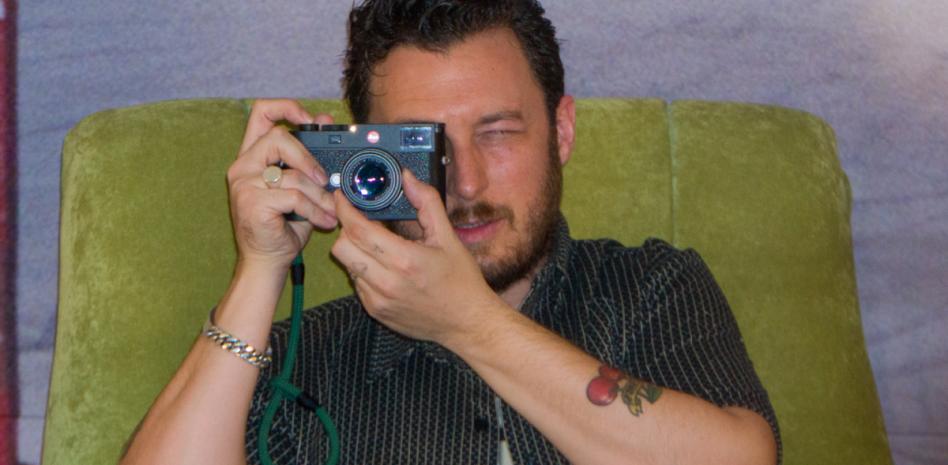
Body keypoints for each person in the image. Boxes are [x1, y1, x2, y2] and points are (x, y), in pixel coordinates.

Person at [121, 1, 780, 464]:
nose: (464, 182)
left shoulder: (649, 289)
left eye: (498, 132)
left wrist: (469, 322)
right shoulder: (309, 357)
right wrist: (259, 270)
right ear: (366, 154)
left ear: (561, 131)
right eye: (423, 146)